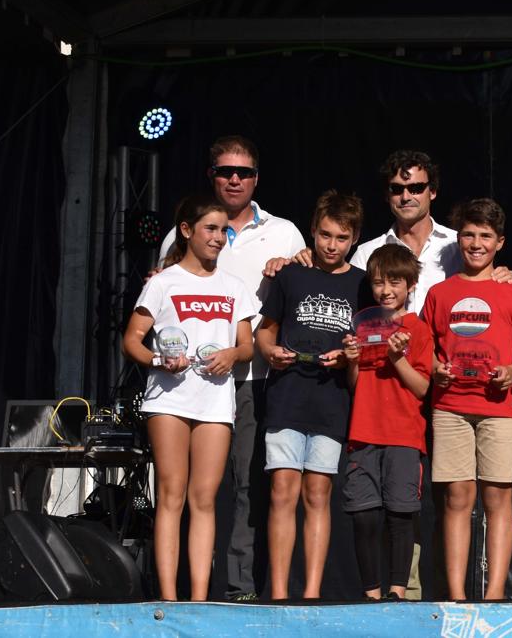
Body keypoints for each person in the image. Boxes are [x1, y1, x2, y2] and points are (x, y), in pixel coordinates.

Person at [267, 149, 512, 598]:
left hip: (446, 380)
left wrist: (503, 276)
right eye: (398, 189)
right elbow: (338, 282)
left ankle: (436, 595)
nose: (406, 195)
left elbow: (481, 277)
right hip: (382, 393)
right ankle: (397, 592)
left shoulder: (454, 242)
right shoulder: (365, 252)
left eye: (416, 187)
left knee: (437, 498)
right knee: (386, 499)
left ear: (432, 191)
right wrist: (294, 260)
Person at [157, 135, 306, 601]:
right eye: (225, 171)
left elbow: (308, 295)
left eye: (243, 172)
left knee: (248, 489)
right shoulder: (179, 234)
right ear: (212, 176)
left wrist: (295, 265)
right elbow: (157, 309)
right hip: (188, 386)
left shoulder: (284, 233)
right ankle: (183, 591)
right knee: (183, 493)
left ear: (257, 178)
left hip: (256, 379)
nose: (234, 179)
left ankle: (239, 589)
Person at [124, 194, 256, 600]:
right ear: (187, 231)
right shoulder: (163, 283)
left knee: (205, 499)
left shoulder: (235, 287)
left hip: (216, 402)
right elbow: (132, 340)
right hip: (168, 401)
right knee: (171, 494)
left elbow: (247, 347)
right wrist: (158, 361)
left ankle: (199, 599)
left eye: (223, 231)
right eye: (211, 229)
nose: (218, 238)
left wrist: (231, 354)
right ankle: (168, 597)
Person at [421, 198, 512, 600]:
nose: (476, 243)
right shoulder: (439, 293)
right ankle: (456, 596)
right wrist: (435, 368)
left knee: (497, 497)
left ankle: (495, 594)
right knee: (456, 498)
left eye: (485, 236)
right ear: (458, 238)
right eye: (469, 234)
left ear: (499, 242)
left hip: (499, 409)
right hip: (450, 407)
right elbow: (426, 348)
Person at [255, 191, 365, 599]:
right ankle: (280, 593)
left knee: (318, 493)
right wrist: (270, 352)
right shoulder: (292, 276)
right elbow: (265, 330)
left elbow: (365, 341)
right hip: (287, 397)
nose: (330, 245)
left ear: (353, 239)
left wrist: (349, 358)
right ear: (313, 231)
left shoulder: (361, 283)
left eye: (340, 237)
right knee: (283, 490)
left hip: (332, 400)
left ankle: (312, 593)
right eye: (323, 235)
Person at [339, 244, 434, 601]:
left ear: (411, 285)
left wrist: (397, 359)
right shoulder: (364, 325)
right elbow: (355, 385)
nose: (386, 290)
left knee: (400, 514)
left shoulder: (419, 330)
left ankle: (396, 592)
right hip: (363, 431)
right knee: (363, 516)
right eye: (379, 282)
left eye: (395, 281)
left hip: (404, 435)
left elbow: (422, 387)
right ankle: (371, 593)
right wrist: (351, 361)